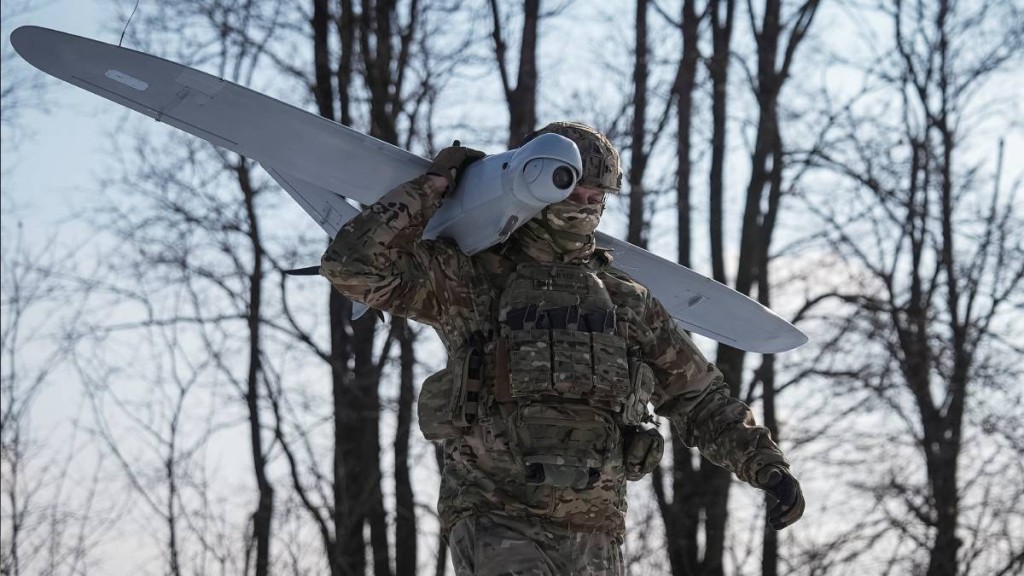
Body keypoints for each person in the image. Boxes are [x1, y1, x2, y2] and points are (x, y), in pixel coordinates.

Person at [321, 122, 804, 575]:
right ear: (540, 186)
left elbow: (699, 399)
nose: (586, 206)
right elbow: (353, 268)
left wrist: (767, 467)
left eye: (598, 197)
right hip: (496, 517)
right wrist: (433, 188)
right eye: (575, 191)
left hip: (595, 533)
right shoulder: (467, 277)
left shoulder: (625, 301)